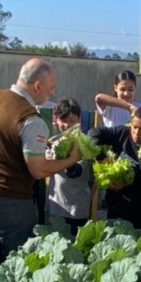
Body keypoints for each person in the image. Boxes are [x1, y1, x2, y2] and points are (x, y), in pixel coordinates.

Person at [0, 58, 81, 267]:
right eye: (51, 88)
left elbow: (0, 144)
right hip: (7, 202)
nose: (52, 93)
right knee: (16, 267)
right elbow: (38, 170)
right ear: (38, 86)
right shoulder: (30, 118)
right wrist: (71, 159)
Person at [89, 105, 141, 232]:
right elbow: (94, 133)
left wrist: (124, 186)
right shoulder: (122, 133)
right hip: (116, 207)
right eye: (134, 127)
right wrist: (101, 157)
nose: (136, 133)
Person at [47, 100, 94, 236]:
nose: (67, 125)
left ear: (79, 119)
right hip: (56, 205)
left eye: (72, 120)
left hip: (76, 208)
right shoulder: (55, 142)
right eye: (63, 120)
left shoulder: (84, 142)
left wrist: (69, 162)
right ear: (56, 120)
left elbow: (76, 172)